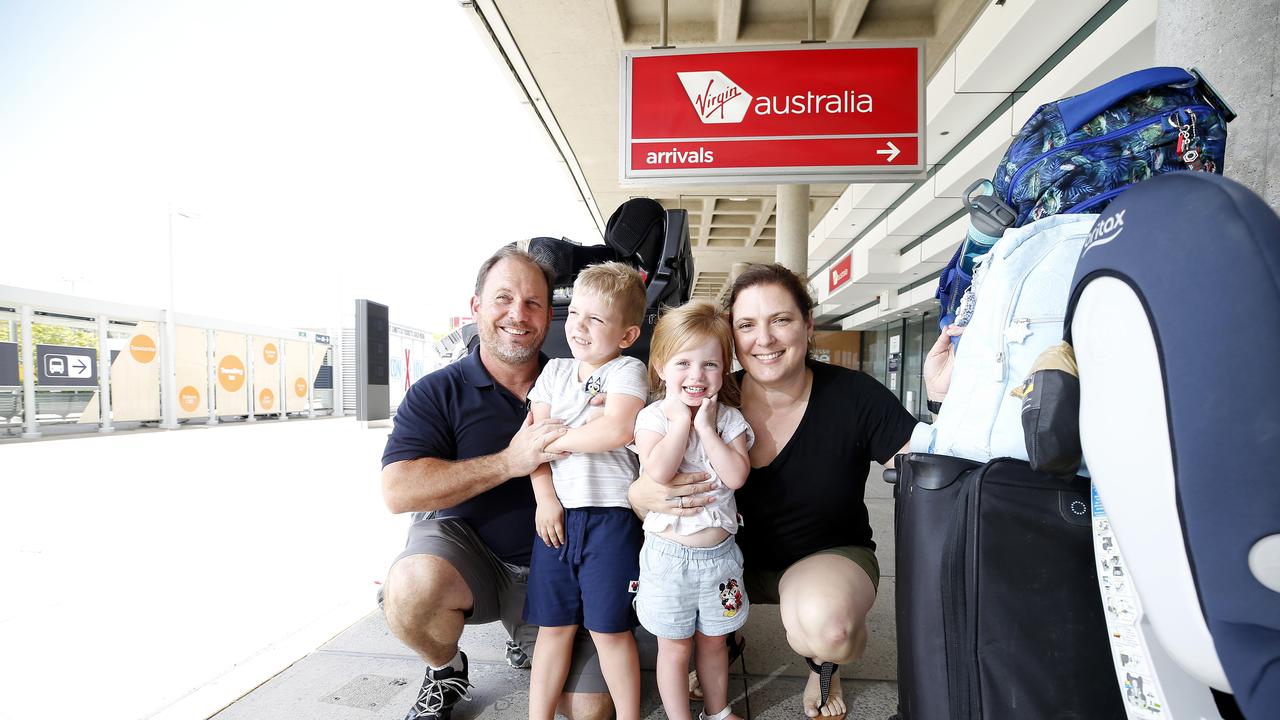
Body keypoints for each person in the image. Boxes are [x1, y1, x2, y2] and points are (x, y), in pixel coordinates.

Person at [630, 263, 956, 719]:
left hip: (821, 555)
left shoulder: (853, 395)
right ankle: (724, 636)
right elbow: (645, 467)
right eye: (746, 325)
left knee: (827, 628)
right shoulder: (713, 396)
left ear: (807, 325)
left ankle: (826, 664)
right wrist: (638, 493)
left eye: (780, 319)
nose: (764, 339)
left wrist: (943, 403)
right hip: (720, 557)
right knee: (668, 605)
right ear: (732, 340)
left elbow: (930, 470)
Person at [380, 246, 613, 720]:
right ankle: (446, 669)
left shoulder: (579, 381)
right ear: (477, 307)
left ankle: (527, 639)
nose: (517, 314)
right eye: (503, 298)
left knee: (591, 710)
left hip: (558, 566)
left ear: (550, 315)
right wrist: (509, 462)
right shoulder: (438, 390)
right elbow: (398, 491)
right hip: (472, 559)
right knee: (409, 587)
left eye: (532, 303)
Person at [523, 262, 649, 720]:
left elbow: (617, 429)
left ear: (626, 334)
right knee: (552, 628)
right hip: (555, 518)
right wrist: (545, 499)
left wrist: (555, 441)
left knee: (609, 630)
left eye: (595, 319)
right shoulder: (554, 372)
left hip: (611, 519)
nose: (578, 326)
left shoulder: (626, 370)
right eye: (574, 312)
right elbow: (528, 448)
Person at [631, 299, 753, 720]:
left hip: (720, 559)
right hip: (669, 558)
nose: (697, 376)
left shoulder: (729, 420)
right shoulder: (653, 419)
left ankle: (717, 712)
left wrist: (706, 426)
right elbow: (659, 471)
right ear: (662, 367)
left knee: (715, 642)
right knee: (674, 646)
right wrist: (682, 422)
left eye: (710, 365)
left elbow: (736, 475)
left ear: (724, 370)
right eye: (684, 363)